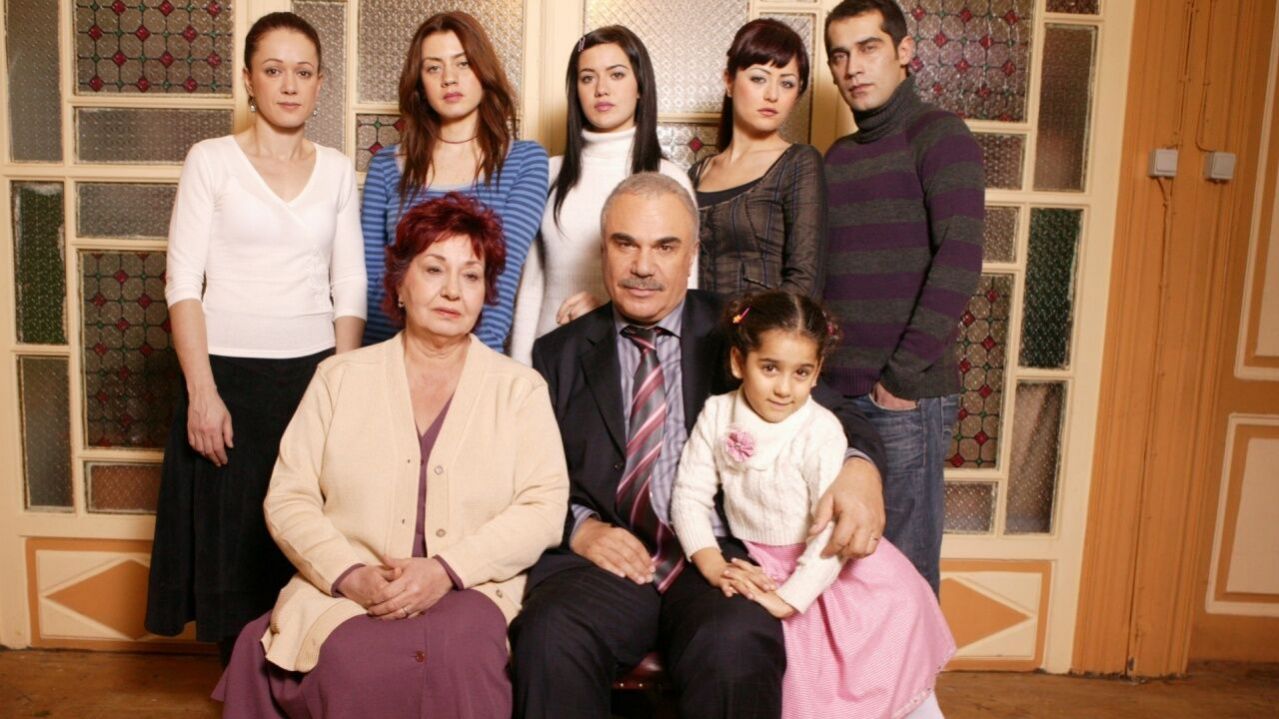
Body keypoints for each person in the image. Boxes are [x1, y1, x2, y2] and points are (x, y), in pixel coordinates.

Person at [510, 173, 887, 719]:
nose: (643, 266)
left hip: (719, 556)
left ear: (692, 255)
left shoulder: (737, 330)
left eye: (665, 247)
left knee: (735, 641)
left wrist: (859, 470)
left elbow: (842, 412)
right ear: (603, 250)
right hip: (605, 562)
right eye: (625, 244)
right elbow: (527, 476)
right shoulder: (558, 354)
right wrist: (580, 529)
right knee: (550, 635)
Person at [213, 193, 570, 718]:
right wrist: (348, 573)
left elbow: (544, 508)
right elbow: (289, 498)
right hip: (349, 591)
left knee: (457, 653)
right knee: (352, 659)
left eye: (471, 276)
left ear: (485, 293)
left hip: (472, 590)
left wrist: (447, 569)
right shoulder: (338, 379)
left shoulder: (520, 389)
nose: (453, 290)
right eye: (434, 269)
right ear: (400, 282)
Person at [145, 11, 367, 666]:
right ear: (248, 79)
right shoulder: (210, 160)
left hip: (311, 379)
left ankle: (297, 690)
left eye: (303, 72)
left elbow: (349, 285)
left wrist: (341, 389)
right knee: (230, 552)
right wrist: (202, 392)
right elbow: (182, 282)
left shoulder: (336, 169)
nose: (289, 85)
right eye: (274, 70)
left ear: (320, 83)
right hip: (225, 381)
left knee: (304, 546)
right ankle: (242, 693)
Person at [671, 290, 954, 719]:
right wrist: (711, 563)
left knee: (883, 695)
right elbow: (689, 495)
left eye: (801, 372)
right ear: (738, 362)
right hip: (763, 562)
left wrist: (789, 601)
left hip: (829, 570)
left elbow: (829, 534)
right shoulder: (716, 414)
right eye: (769, 368)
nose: (784, 388)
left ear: (818, 372)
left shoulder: (820, 431)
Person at [822, 0, 985, 593]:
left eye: (868, 48)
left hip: (902, 397)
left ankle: (916, 670)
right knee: (836, 570)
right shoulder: (837, 158)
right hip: (833, 397)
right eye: (840, 55)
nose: (853, 67)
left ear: (905, 51)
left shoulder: (940, 135)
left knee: (904, 577)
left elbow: (960, 260)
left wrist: (900, 380)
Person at [510, 25, 696, 365]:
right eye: (587, 78)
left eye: (617, 74)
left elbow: (685, 294)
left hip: (631, 365)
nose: (601, 89)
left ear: (640, 86)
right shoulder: (550, 173)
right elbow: (531, 287)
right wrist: (520, 374)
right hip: (550, 362)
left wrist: (606, 317)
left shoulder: (669, 179)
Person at [362, 10, 548, 350]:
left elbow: (499, 280)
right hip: (396, 354)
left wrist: (475, 366)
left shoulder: (524, 161)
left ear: (483, 70)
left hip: (478, 356)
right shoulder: (387, 167)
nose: (449, 78)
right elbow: (376, 286)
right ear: (419, 84)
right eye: (433, 68)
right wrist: (380, 367)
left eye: (463, 63)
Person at [690, 19, 826, 299]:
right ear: (729, 81)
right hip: (693, 325)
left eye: (787, 83)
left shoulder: (799, 163)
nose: (772, 95)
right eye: (758, 78)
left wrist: (750, 326)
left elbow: (805, 281)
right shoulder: (696, 174)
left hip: (766, 326)